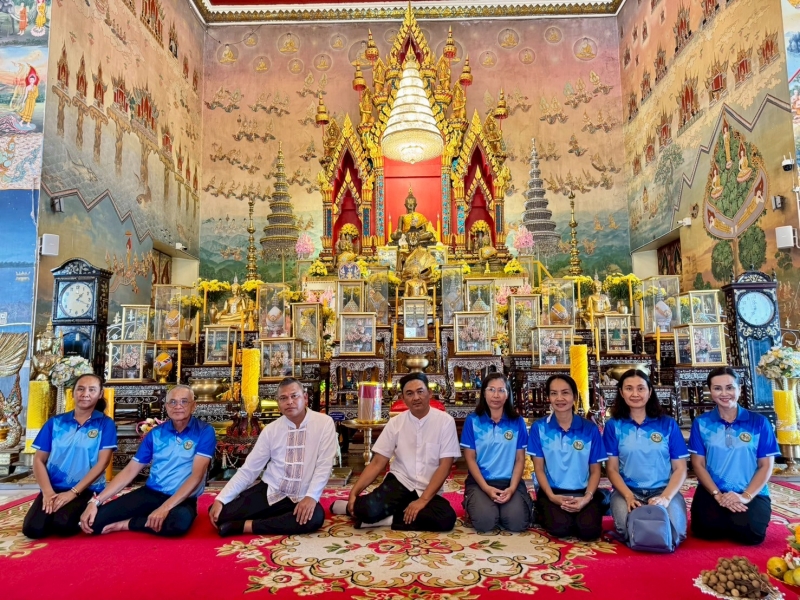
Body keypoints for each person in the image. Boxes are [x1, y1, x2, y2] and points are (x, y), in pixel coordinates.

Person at [79, 385, 215, 537]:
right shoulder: (156, 433)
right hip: (152, 493)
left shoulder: (204, 431)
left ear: (193, 405)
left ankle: (128, 523)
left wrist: (165, 508)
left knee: (177, 523)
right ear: (166, 406)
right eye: (173, 402)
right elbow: (131, 470)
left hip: (183, 498)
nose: (178, 406)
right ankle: (148, 518)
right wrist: (96, 501)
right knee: (94, 523)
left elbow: (196, 476)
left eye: (184, 401)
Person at [209, 378, 337, 536]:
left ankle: (247, 526)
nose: (289, 402)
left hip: (303, 494)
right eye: (283, 398)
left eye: (294, 396)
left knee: (315, 517)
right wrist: (221, 499)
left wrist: (311, 497)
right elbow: (249, 470)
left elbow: (324, 465)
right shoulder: (271, 430)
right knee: (219, 514)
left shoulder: (324, 423)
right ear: (278, 403)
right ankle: (276, 520)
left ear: (305, 398)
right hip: (272, 490)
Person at [332, 373, 461, 530]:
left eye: (420, 391)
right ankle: (351, 507)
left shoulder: (445, 422)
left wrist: (422, 501)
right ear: (403, 398)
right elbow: (377, 462)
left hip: (429, 487)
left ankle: (388, 519)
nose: (416, 397)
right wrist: (354, 492)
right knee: (367, 510)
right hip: (400, 482)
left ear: (430, 393)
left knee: (446, 518)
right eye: (409, 393)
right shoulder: (395, 423)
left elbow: (445, 466)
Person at [688, 367, 779, 545]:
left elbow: (766, 466)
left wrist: (745, 496)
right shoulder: (701, 423)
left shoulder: (759, 422)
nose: (724, 393)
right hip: (713, 491)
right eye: (717, 388)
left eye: (730, 387)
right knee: (705, 531)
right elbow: (698, 465)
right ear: (710, 391)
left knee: (751, 535)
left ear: (739, 388)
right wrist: (717, 495)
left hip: (750, 491)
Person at [23, 374, 116, 539]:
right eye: (80, 389)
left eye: (92, 390)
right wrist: (48, 493)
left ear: (100, 394)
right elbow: (39, 460)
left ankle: (89, 508)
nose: (85, 394)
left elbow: (103, 463)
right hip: (54, 487)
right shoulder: (55, 422)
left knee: (63, 525)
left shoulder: (105, 423)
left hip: (85, 489)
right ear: (72, 392)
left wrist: (72, 493)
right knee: (33, 529)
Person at [603, 369, 688, 548]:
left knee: (676, 533)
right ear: (621, 392)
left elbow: (680, 468)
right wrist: (628, 496)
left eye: (641, 388)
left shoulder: (667, 424)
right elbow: (611, 469)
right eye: (629, 388)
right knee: (626, 530)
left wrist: (665, 498)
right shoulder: (614, 425)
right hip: (628, 490)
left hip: (662, 489)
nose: (635, 394)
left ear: (650, 392)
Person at [527, 374, 606, 540]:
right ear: (548, 397)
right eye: (554, 393)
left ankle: (596, 503)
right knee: (561, 528)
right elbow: (538, 468)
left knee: (589, 532)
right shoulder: (539, 428)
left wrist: (586, 498)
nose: (559, 398)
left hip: (583, 492)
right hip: (552, 492)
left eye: (565, 393)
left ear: (574, 396)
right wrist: (551, 496)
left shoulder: (590, 429)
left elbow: (595, 471)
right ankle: (541, 510)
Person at [461, 373, 532, 533]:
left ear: (507, 395)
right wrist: (486, 488)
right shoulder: (473, 420)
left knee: (517, 523)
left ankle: (505, 508)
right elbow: (470, 458)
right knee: (485, 522)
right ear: (484, 393)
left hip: (509, 482)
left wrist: (512, 488)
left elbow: (520, 459)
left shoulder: (517, 422)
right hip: (481, 483)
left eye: (501, 390)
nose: (496, 395)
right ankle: (482, 505)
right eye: (491, 389)